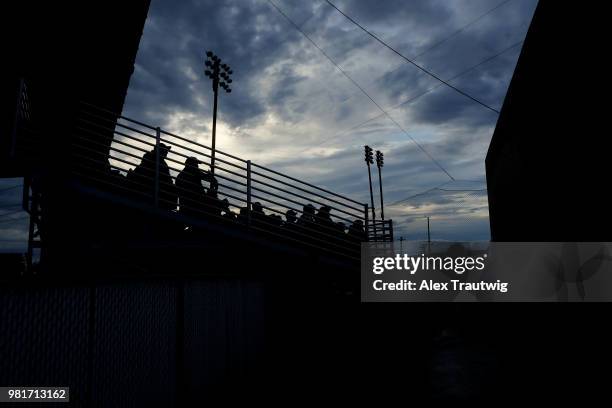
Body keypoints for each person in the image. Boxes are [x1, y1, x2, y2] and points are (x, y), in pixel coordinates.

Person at [128, 143, 177, 211]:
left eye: (167, 151)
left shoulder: (158, 161)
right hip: (151, 192)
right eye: (165, 151)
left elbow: (167, 179)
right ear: (160, 151)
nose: (167, 153)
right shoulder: (154, 161)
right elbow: (165, 179)